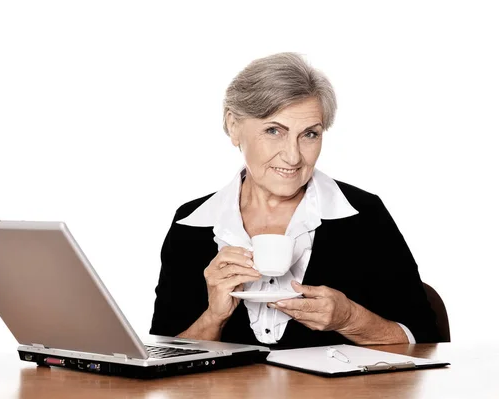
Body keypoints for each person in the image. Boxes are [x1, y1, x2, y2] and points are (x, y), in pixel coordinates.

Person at [150, 52, 441, 348]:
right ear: (234, 126)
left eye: (310, 134)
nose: (293, 156)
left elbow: (426, 339)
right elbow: (161, 361)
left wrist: (350, 318)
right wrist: (214, 317)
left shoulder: (364, 215)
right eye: (274, 130)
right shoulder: (192, 223)